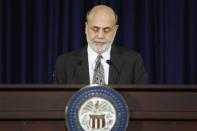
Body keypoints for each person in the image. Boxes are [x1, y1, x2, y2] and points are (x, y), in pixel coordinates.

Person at [53, 5, 147, 84]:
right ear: (86, 28)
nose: (100, 35)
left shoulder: (133, 61)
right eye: (95, 29)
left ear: (115, 30)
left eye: (107, 30)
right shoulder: (65, 63)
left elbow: (143, 101)